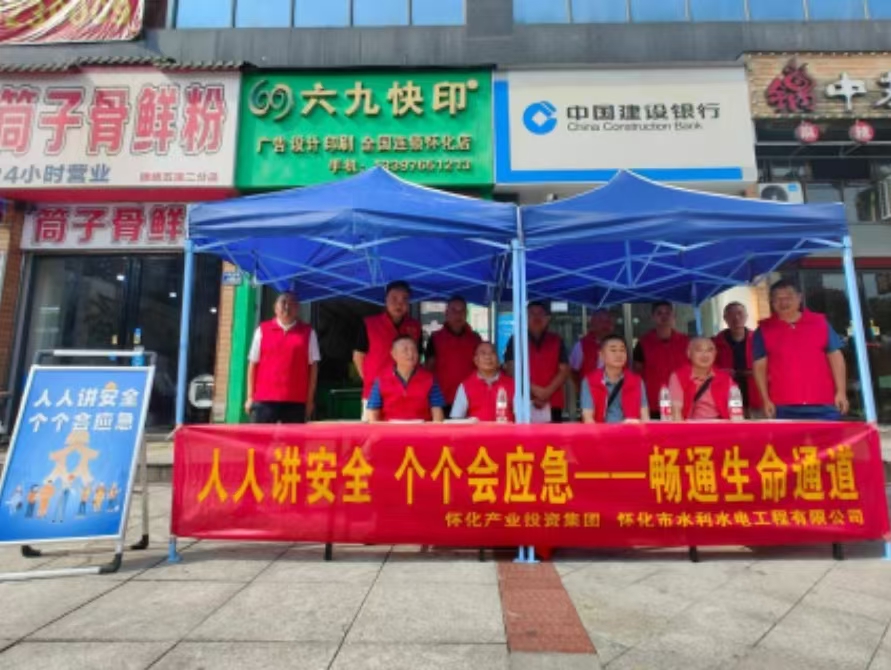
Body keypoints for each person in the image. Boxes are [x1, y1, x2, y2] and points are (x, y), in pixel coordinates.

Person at [753, 279, 848, 420]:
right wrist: (765, 399)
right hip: (783, 404)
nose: (783, 302)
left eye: (788, 297)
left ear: (799, 298)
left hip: (823, 402)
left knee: (829, 435)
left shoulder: (819, 323)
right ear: (771, 302)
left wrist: (841, 391)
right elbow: (759, 367)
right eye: (778, 298)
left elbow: (836, 357)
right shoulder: (764, 330)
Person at [245, 291, 320, 424]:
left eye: (291, 304)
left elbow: (313, 368)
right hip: (264, 399)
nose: (287, 307)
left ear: (297, 308)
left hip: (295, 400)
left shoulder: (308, 332)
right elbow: (252, 364)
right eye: (283, 303)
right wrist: (250, 397)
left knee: (293, 438)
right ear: (275, 308)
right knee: (262, 437)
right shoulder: (262, 330)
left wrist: (309, 400)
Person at [354, 281, 423, 418]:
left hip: (407, 393)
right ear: (385, 300)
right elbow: (358, 356)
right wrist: (369, 379)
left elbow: (418, 357)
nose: (399, 304)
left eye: (404, 299)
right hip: (374, 392)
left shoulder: (415, 326)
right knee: (372, 430)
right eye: (394, 298)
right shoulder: (369, 324)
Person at [504, 302, 570, 423]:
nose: (536, 318)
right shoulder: (516, 340)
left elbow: (564, 370)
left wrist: (546, 392)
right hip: (524, 400)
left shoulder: (556, 340)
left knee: (553, 435)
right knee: (524, 435)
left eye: (540, 314)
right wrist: (534, 390)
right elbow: (511, 369)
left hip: (553, 401)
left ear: (547, 318)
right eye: (532, 314)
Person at [425, 295, 482, 416]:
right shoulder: (435, 338)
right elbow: (428, 369)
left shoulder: (475, 338)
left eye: (462, 311)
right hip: (442, 400)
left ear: (466, 314)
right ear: (446, 313)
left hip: (470, 398)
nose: (458, 315)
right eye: (454, 310)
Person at [367, 336, 445, 422]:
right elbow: (372, 412)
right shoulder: (381, 379)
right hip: (390, 427)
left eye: (414, 350)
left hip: (421, 427)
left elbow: (437, 412)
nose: (411, 354)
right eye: (405, 350)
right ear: (394, 354)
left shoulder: (430, 379)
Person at [633, 302, 690, 417]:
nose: (664, 317)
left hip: (683, 399)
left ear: (673, 316)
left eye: (668, 313)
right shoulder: (643, 343)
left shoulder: (686, 342)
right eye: (659, 313)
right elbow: (637, 373)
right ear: (653, 317)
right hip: (653, 401)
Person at [581, 335, 649, 424]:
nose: (618, 354)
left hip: (630, 430)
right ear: (601, 355)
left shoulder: (636, 381)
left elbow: (645, 416)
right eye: (613, 350)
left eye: (622, 350)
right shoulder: (590, 381)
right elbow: (588, 418)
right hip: (602, 431)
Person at [669, 337, 738, 421]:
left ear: (715, 354)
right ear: (689, 353)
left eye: (709, 350)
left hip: (721, 424)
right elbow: (676, 411)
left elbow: (736, 408)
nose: (705, 355)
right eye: (699, 350)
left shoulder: (725, 378)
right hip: (691, 425)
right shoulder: (679, 376)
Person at [713, 302, 761, 415]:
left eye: (740, 313)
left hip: (756, 398)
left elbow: (769, 368)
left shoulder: (758, 340)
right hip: (726, 399)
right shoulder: (716, 343)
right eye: (731, 314)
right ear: (725, 318)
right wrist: (721, 372)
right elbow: (708, 370)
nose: (736, 318)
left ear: (746, 316)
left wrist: (751, 372)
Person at [450, 342, 515, 421]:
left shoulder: (512, 384)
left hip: (506, 429)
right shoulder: (465, 386)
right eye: (483, 353)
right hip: (477, 429)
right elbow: (456, 418)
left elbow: (522, 416)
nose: (488, 357)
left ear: (498, 359)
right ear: (475, 360)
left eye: (492, 353)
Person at [570, 309, 616, 393]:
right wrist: (581, 390)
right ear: (593, 324)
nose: (605, 325)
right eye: (601, 321)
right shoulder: (582, 346)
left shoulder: (619, 346)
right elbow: (573, 372)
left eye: (608, 321)